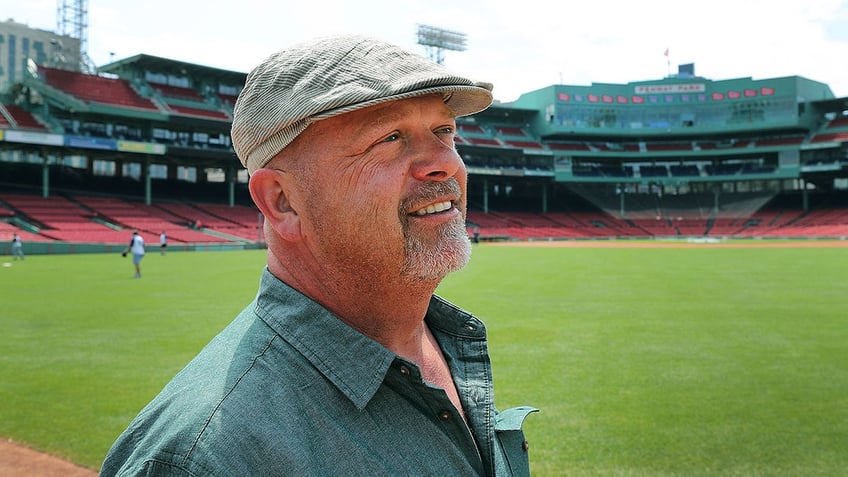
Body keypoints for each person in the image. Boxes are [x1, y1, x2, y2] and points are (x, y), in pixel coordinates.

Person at [100, 34, 537, 476]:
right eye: (389, 138)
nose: (444, 163)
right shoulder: (203, 459)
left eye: (444, 131)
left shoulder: (440, 338)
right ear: (282, 202)